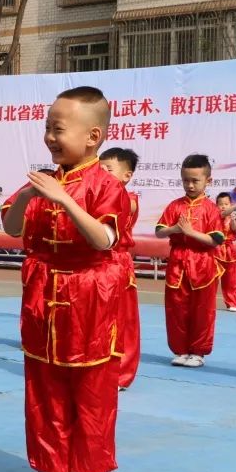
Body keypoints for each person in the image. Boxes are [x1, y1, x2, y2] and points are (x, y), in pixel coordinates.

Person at [2, 86, 130, 472]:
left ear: (93, 136)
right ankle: (53, 466)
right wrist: (26, 196)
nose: (49, 137)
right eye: (47, 129)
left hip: (89, 292)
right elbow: (12, 229)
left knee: (90, 384)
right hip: (42, 293)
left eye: (57, 129)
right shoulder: (43, 181)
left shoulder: (107, 186)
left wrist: (65, 202)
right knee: (44, 382)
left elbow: (104, 239)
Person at [155, 154, 225, 368]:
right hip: (178, 264)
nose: (190, 185)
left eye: (195, 181)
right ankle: (181, 349)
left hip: (202, 264)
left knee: (202, 310)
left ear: (208, 181)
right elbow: (159, 232)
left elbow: (216, 240)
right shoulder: (175, 206)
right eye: (186, 180)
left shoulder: (211, 209)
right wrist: (175, 230)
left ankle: (198, 351)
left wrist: (191, 233)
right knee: (176, 309)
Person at [99, 147, 140, 391]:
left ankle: (121, 373)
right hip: (97, 264)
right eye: (99, 168)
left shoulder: (129, 199)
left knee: (122, 320)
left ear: (126, 175)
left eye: (108, 170)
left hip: (117, 263)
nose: (102, 174)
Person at [215, 192, 236, 312]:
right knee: (212, 278)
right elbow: (223, 213)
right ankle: (208, 301)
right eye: (221, 204)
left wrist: (234, 219)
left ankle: (232, 303)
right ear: (216, 206)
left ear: (230, 203)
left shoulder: (231, 216)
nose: (223, 206)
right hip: (216, 249)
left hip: (229, 250)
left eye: (226, 204)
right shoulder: (215, 215)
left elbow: (235, 228)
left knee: (231, 279)